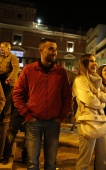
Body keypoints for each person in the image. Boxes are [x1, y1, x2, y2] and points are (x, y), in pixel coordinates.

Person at [12, 38, 72, 170]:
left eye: (56, 49)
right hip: (34, 122)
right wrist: (27, 115)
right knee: (32, 163)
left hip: (53, 123)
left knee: (51, 163)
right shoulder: (29, 70)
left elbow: (68, 97)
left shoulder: (61, 72)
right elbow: (16, 94)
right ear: (41, 50)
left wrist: (61, 117)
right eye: (51, 49)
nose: (54, 52)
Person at [72, 54, 106, 170]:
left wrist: (98, 95)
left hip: (101, 121)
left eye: (95, 61)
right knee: (85, 159)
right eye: (90, 61)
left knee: (103, 158)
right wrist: (102, 103)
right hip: (87, 122)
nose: (94, 64)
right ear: (84, 64)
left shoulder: (97, 80)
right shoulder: (80, 80)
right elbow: (89, 100)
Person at [0, 42, 19, 162]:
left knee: (6, 100)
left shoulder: (13, 57)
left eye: (3, 48)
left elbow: (16, 68)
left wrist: (9, 78)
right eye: (0, 48)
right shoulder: (0, 57)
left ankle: (5, 115)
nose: (1, 50)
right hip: (1, 79)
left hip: (9, 82)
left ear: (8, 48)